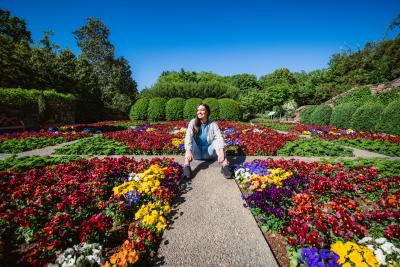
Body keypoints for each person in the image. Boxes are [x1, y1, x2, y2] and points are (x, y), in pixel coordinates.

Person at [183, 103, 232, 179]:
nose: (199, 112)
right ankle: (186, 166)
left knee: (217, 141)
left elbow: (219, 137)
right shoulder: (193, 122)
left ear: (207, 112)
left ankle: (225, 166)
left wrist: (221, 152)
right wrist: (189, 151)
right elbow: (188, 136)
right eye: (198, 110)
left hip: (209, 153)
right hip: (197, 153)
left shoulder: (213, 124)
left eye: (202, 110)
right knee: (190, 138)